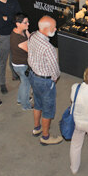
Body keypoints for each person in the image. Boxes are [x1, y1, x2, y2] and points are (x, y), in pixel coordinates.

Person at [27, 15, 63, 145]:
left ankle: (37, 128)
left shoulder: (32, 35)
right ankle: (46, 137)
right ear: (46, 29)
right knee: (48, 109)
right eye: (53, 27)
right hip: (45, 81)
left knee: (37, 103)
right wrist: (53, 79)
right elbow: (55, 70)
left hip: (32, 75)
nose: (56, 29)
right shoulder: (49, 48)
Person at [10, 13, 33, 110]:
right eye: (25, 23)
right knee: (26, 85)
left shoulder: (19, 31)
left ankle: (20, 99)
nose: (28, 24)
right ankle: (26, 105)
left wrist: (27, 31)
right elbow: (31, 49)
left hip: (18, 63)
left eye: (27, 22)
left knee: (23, 83)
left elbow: (30, 38)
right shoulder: (18, 40)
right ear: (17, 24)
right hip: (21, 66)